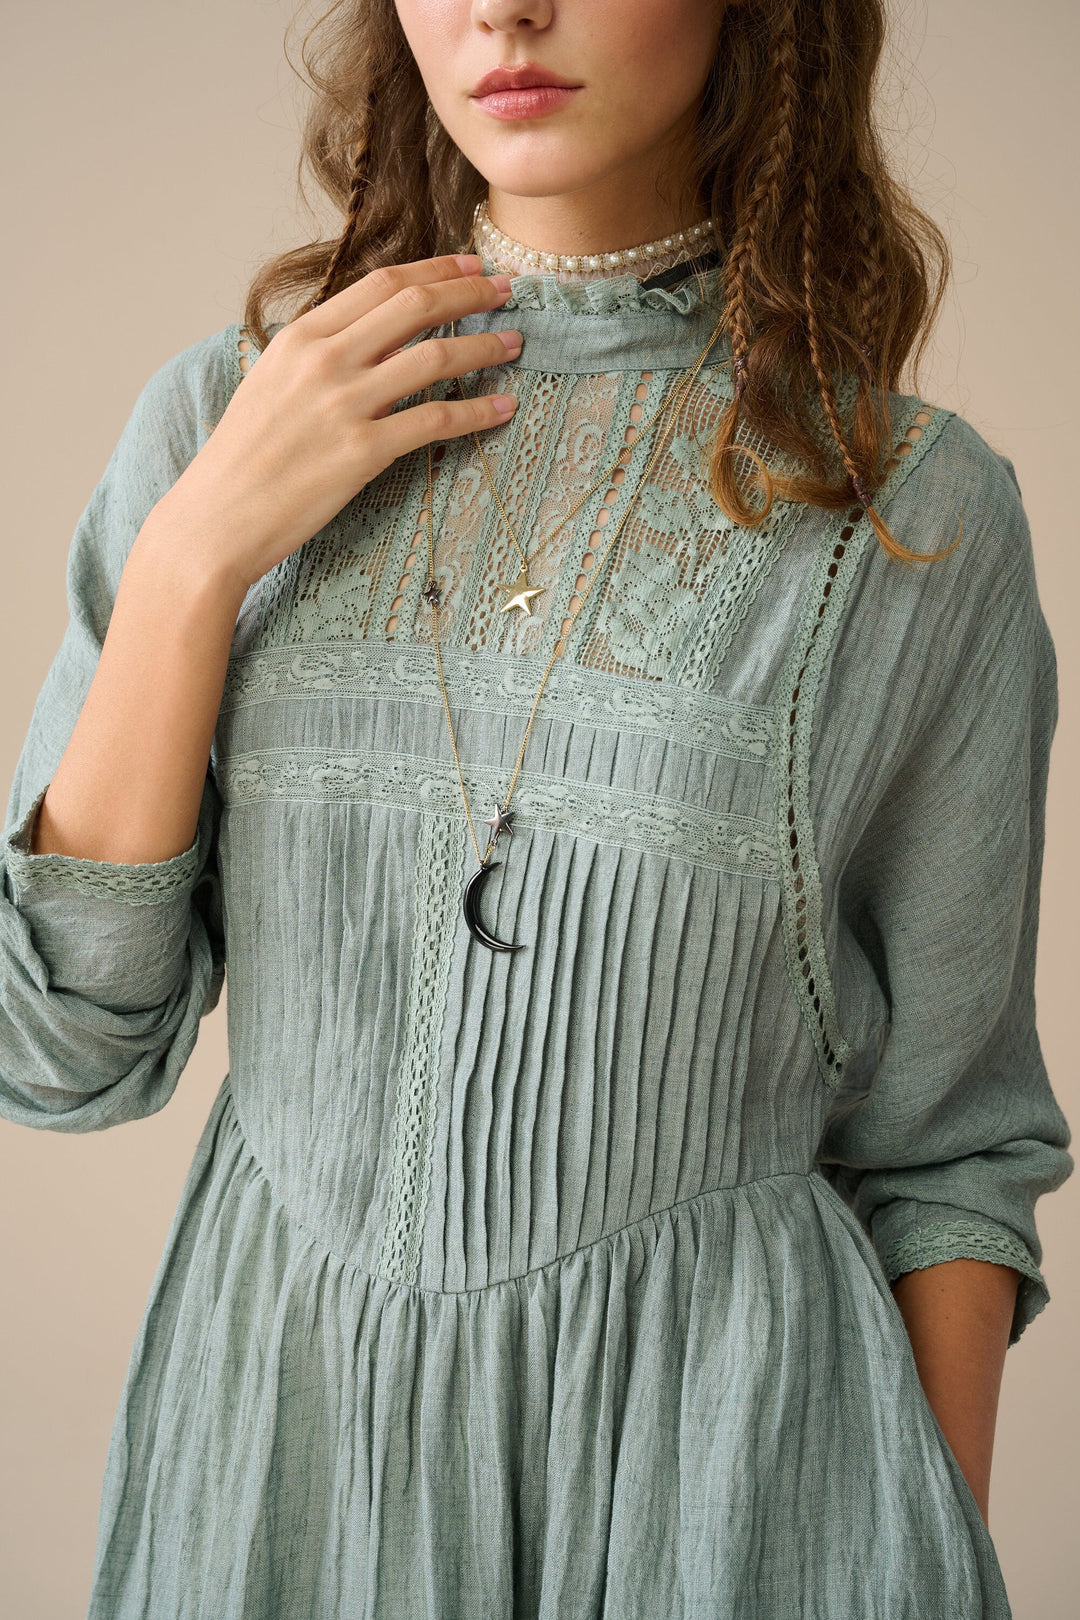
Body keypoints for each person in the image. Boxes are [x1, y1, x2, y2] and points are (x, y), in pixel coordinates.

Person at [0, 0, 1072, 1614]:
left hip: (719, 1503)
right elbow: (59, 1048)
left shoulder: (907, 511)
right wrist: (188, 561)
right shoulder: (225, 429)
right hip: (288, 1466)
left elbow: (950, 1151)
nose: (505, 8)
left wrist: (920, 1554)